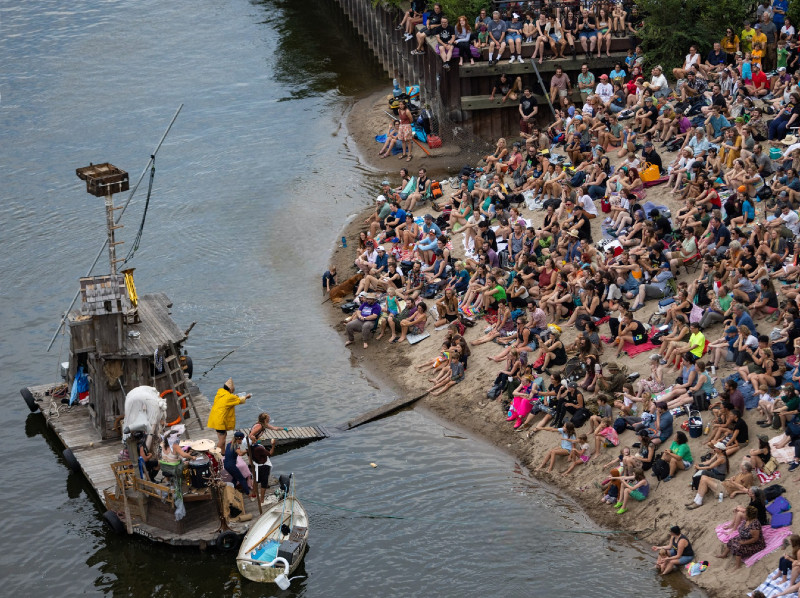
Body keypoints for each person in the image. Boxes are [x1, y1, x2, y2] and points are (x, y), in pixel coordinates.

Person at [207, 377, 251, 452]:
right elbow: (238, 400)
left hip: (216, 418)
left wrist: (235, 396)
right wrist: (246, 397)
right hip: (220, 421)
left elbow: (232, 398)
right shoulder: (229, 397)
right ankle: (215, 454)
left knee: (223, 437)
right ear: (230, 389)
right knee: (222, 440)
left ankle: (223, 453)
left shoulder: (220, 393)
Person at [224, 431, 253, 497]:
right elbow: (240, 454)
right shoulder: (236, 445)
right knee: (242, 479)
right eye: (242, 439)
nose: (242, 441)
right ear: (238, 439)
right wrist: (248, 450)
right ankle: (248, 493)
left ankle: (232, 490)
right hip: (231, 465)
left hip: (226, 464)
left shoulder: (229, 444)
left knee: (235, 478)